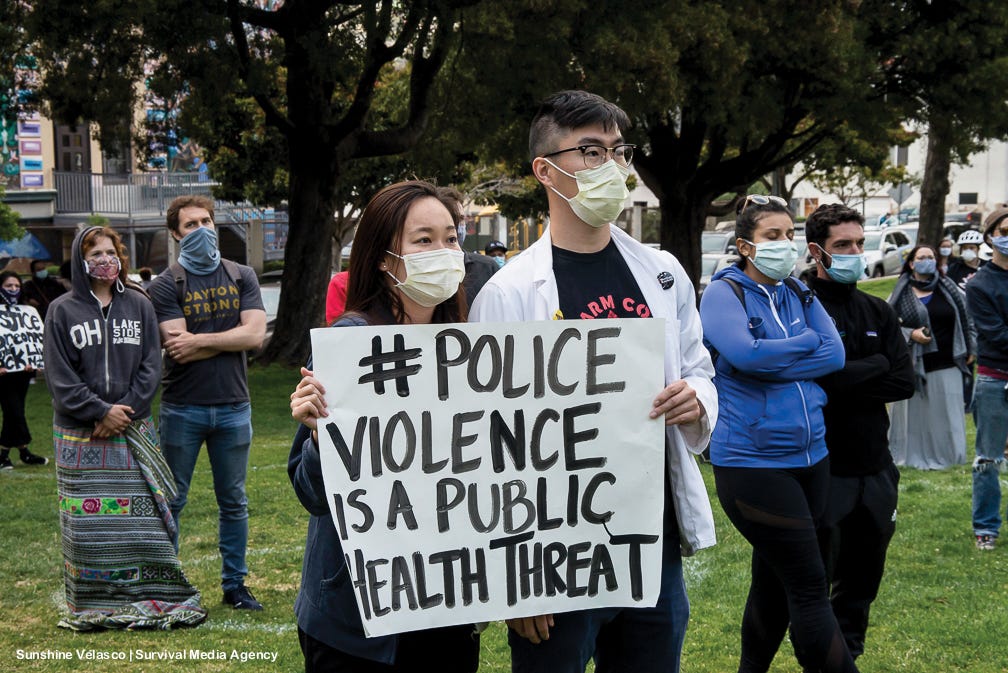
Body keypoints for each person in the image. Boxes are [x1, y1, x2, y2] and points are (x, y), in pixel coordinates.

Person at [470, 90, 718, 673]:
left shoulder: (661, 273)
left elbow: (699, 367)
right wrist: (516, 583)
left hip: (648, 544)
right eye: (589, 150)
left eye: (617, 150)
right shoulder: (508, 294)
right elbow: (487, 441)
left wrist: (695, 399)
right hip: (552, 556)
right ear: (545, 170)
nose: (610, 165)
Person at [288, 180, 479, 673]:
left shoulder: (473, 351)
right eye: (423, 240)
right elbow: (312, 493)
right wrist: (317, 435)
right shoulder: (349, 345)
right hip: (356, 618)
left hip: (446, 603)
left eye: (451, 238)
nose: (443, 252)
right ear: (382, 257)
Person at [699, 195, 849, 672]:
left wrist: (778, 354)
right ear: (746, 245)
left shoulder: (800, 293)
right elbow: (747, 357)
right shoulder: (726, 292)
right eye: (772, 236)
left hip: (812, 456)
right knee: (809, 585)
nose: (786, 244)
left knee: (772, 578)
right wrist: (802, 345)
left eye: (790, 235)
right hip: (752, 463)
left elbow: (836, 356)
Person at [42, 226, 206, 630]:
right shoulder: (62, 310)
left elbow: (152, 365)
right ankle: (93, 601)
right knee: (87, 526)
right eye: (94, 252)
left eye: (110, 251)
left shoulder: (139, 304)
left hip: (131, 427)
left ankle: (154, 591)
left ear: (121, 257)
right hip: (81, 435)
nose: (104, 259)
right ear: (82, 262)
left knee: (143, 519)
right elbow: (60, 376)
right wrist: (99, 411)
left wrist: (123, 411)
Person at [799, 204, 914, 660]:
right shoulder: (798, 304)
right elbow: (815, 380)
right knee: (812, 589)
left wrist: (849, 374)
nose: (854, 253)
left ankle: (850, 657)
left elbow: (904, 382)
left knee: (862, 585)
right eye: (842, 245)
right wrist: (878, 364)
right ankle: (821, 663)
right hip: (824, 468)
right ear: (817, 251)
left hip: (876, 471)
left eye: (859, 244)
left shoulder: (877, 310)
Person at [148, 195, 267, 611]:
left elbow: (254, 336)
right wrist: (228, 338)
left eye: (206, 221)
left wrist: (199, 340)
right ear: (176, 234)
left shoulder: (242, 275)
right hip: (183, 407)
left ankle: (235, 585)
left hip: (234, 405)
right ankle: (166, 584)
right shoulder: (165, 284)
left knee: (233, 500)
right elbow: (175, 349)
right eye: (190, 225)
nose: (201, 230)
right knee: (172, 499)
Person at [887, 244, 975, 470]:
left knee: (947, 417)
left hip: (948, 362)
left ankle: (950, 457)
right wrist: (911, 334)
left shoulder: (950, 289)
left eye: (930, 257)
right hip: (914, 364)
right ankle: (913, 457)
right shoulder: (899, 294)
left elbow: (969, 320)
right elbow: (887, 328)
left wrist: (971, 348)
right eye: (921, 257)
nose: (927, 260)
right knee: (915, 419)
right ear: (911, 263)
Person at [967, 207, 1008, 551]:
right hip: (996, 380)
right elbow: (995, 335)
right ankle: (986, 528)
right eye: (1005, 230)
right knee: (989, 460)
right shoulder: (980, 284)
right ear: (991, 236)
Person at [0, 271, 48, 470]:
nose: (13, 290)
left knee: (14, 411)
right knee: (15, 412)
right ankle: (13, 451)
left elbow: (34, 339)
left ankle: (19, 452)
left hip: (23, 371)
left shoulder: (27, 311)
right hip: (3, 373)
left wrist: (33, 360)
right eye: (8, 286)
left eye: (16, 286)